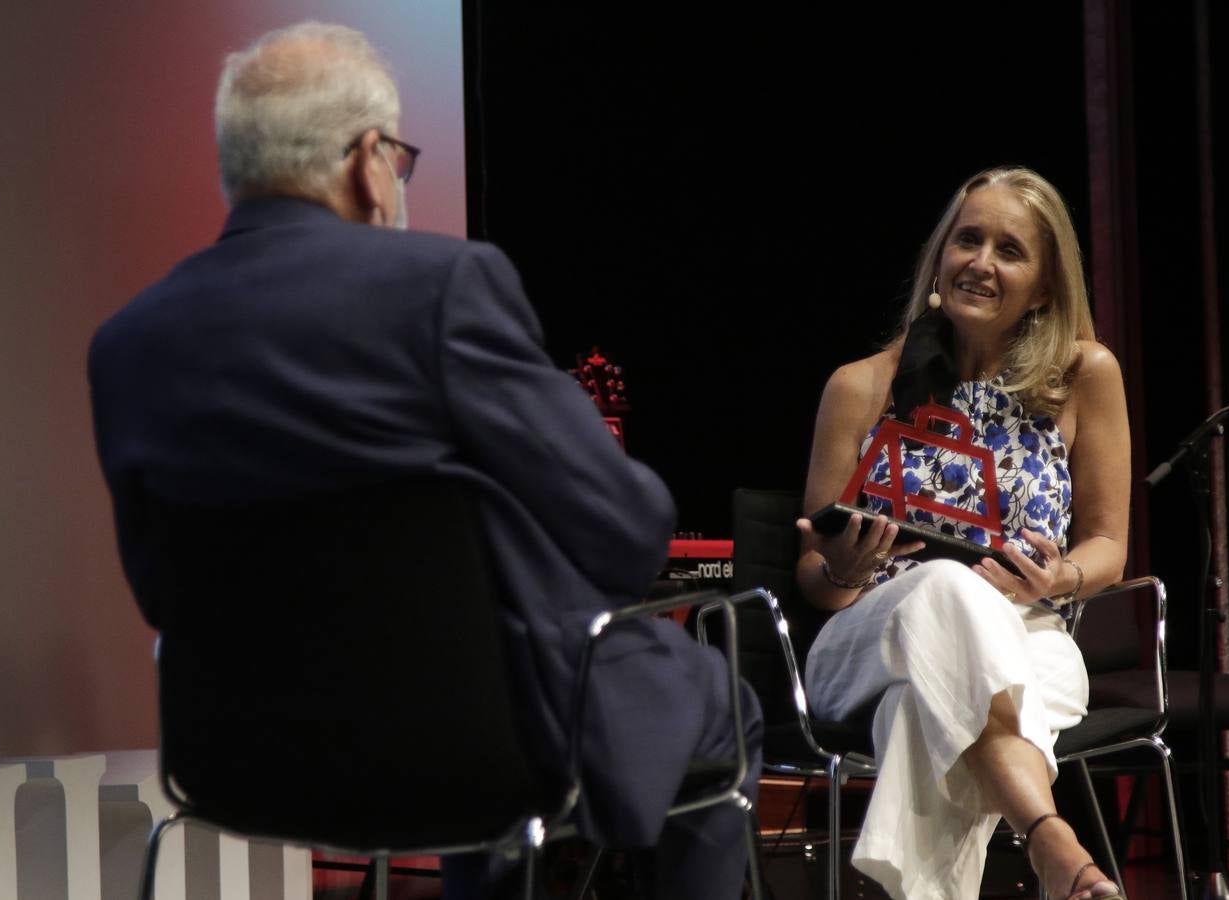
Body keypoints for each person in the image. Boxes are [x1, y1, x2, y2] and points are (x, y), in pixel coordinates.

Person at [87, 22, 760, 900]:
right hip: (473, 748)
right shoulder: (440, 288)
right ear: (368, 159)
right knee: (715, 695)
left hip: (237, 757)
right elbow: (629, 535)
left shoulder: (127, 345)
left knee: (475, 672)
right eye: (398, 158)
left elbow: (157, 589)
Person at [794, 166, 1131, 900]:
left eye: (1008, 250)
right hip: (866, 643)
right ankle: (1053, 839)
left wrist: (1060, 578)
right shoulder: (859, 385)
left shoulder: (1084, 375)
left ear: (1044, 286)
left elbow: (1108, 544)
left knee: (921, 710)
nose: (979, 261)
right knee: (943, 584)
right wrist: (845, 567)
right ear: (940, 257)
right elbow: (814, 581)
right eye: (966, 240)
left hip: (1030, 633)